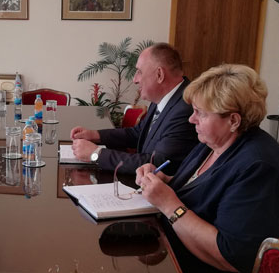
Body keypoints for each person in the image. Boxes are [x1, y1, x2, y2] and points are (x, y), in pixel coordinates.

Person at [136, 64, 279, 273]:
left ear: (233, 120)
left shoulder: (259, 168)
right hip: (172, 256)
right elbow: (204, 188)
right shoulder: (213, 143)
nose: (191, 119)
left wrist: (169, 204)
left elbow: (231, 255)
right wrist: (164, 179)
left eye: (200, 113)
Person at [70, 43, 197, 175]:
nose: (135, 79)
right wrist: (94, 135)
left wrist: (96, 154)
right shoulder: (164, 97)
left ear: (159, 75)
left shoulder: (186, 109)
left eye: (139, 72)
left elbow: (156, 164)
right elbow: (138, 133)